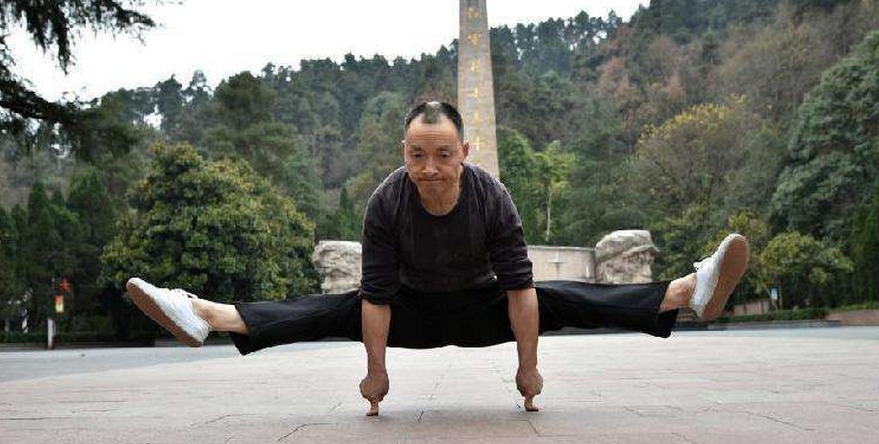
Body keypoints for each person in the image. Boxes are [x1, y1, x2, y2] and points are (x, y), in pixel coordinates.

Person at [126, 101, 749, 416]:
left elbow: (522, 290)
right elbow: (374, 298)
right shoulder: (385, 203)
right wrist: (377, 373)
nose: (429, 168)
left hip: (484, 310)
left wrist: (527, 368)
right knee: (331, 308)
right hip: (410, 315)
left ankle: (685, 293)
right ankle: (203, 313)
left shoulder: (492, 196)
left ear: (464, 152)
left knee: (559, 298)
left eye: (442, 155)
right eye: (417, 155)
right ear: (405, 151)